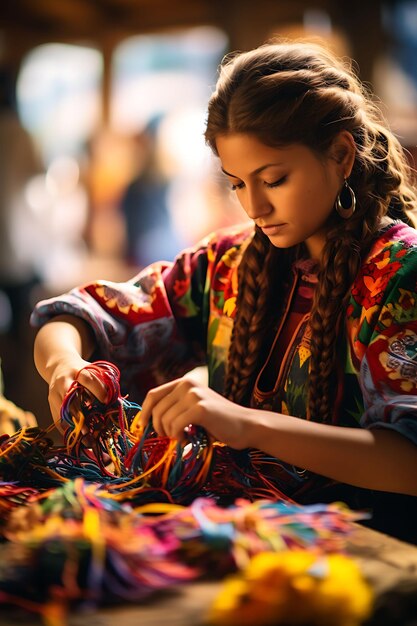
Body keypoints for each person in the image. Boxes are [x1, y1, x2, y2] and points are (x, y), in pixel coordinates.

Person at [31, 41, 417, 541]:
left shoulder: (399, 274)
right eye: (236, 183)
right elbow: (82, 316)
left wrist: (245, 424)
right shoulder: (228, 263)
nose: (253, 205)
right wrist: (65, 366)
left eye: (273, 179)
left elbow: (408, 459)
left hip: (369, 559)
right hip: (243, 541)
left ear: (341, 155)